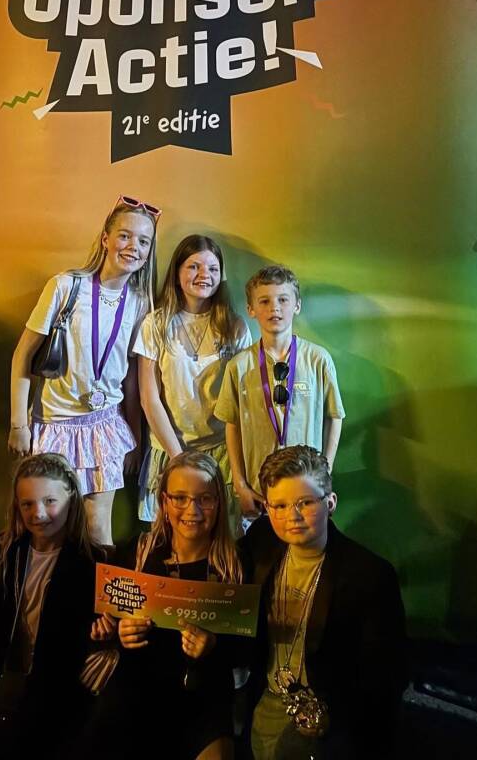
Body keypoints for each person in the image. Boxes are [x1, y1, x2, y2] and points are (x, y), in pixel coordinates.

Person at [8, 196, 159, 545]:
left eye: (143, 241)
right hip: (54, 424)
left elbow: (132, 377)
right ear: (106, 238)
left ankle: (98, 584)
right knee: (49, 527)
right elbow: (22, 355)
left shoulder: (140, 303)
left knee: (98, 528)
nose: (133, 247)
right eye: (124, 236)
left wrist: (135, 438)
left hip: (104, 426)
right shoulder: (66, 286)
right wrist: (18, 424)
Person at [241, 445, 407, 759]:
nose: (291, 516)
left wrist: (336, 716)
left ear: (330, 503)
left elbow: (387, 672)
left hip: (331, 713)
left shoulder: (369, 574)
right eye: (279, 505)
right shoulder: (260, 543)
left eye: (305, 503)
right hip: (266, 699)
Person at [83, 451, 246, 760]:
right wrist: (117, 633)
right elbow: (100, 621)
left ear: (219, 503)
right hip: (139, 694)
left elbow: (248, 649)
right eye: (180, 498)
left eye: (204, 499)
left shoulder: (235, 564)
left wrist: (213, 646)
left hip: (204, 699)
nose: (192, 510)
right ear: (164, 502)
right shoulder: (138, 552)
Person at [0, 453, 101, 758]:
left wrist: (102, 633)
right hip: (7, 685)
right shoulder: (2, 555)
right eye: (27, 504)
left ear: (71, 499)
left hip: (57, 696)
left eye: (50, 501)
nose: (38, 513)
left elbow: (89, 634)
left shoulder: (92, 563)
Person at [134, 234, 251, 533]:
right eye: (194, 266)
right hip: (170, 450)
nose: (204, 275)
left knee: (221, 537)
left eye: (212, 268)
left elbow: (240, 401)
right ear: (177, 271)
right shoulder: (156, 324)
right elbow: (149, 398)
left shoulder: (235, 327)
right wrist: (179, 459)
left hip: (221, 453)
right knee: (172, 537)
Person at [214, 265, 345, 521]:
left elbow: (335, 417)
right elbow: (232, 425)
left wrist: (324, 474)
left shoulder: (318, 360)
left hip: (307, 490)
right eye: (264, 301)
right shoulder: (238, 366)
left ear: (297, 305)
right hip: (259, 494)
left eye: (283, 300)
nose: (274, 308)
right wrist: (241, 485)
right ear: (251, 309)